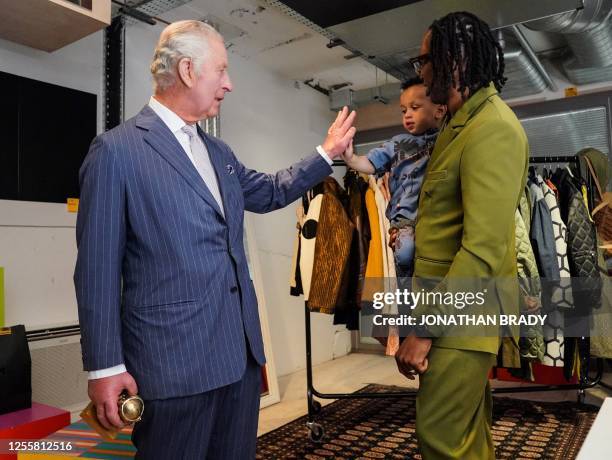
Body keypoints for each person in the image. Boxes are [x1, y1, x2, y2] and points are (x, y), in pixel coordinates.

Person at [73, 20, 355, 459]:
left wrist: (326, 154)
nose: (229, 84)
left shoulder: (219, 153)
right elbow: (96, 271)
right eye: (221, 71)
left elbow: (271, 190)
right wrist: (105, 366)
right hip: (171, 366)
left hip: (238, 360)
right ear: (188, 70)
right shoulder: (116, 151)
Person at [393, 11, 529, 459]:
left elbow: (483, 248)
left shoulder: (493, 128)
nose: (421, 71)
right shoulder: (460, 122)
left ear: (456, 59)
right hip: (449, 310)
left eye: (425, 60)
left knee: (441, 439)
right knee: (466, 441)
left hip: (460, 319)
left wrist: (426, 329)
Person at [342, 77, 446, 278]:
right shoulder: (398, 144)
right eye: (404, 110)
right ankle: (406, 286)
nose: (407, 115)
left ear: (439, 110)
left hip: (434, 218)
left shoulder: (446, 140)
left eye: (415, 108)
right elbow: (370, 164)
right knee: (405, 253)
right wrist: (351, 158)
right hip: (405, 218)